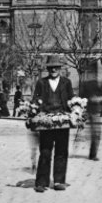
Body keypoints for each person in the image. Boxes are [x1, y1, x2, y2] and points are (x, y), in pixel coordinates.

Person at [33, 56, 75, 193]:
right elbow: (36, 100)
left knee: (61, 151)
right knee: (45, 151)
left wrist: (75, 112)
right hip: (46, 121)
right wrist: (36, 112)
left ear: (60, 69)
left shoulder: (66, 83)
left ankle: (58, 181)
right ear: (47, 69)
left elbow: (71, 100)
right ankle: (41, 182)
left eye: (56, 67)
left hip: (62, 121)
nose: (54, 69)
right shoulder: (41, 83)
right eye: (51, 67)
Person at [80, 80, 102, 161]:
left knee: (96, 134)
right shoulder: (90, 88)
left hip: (94, 112)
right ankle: (93, 154)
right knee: (96, 133)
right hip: (92, 112)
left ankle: (93, 154)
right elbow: (93, 99)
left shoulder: (93, 87)